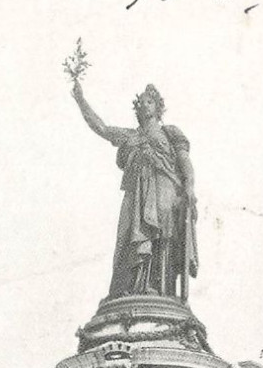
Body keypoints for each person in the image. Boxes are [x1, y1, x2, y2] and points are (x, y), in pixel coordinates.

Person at [72, 80, 197, 299]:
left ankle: (161, 290)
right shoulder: (131, 136)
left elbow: (185, 162)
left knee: (162, 238)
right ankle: (135, 286)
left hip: (165, 190)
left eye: (149, 101)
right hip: (137, 194)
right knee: (131, 235)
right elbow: (102, 129)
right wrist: (81, 100)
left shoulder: (170, 132)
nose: (143, 105)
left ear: (158, 107)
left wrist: (190, 187)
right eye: (140, 102)